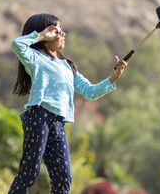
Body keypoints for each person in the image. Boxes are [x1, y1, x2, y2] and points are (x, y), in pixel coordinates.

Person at [8, 13, 130, 194]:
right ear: (45, 34)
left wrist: (115, 76)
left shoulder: (68, 66)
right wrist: (42, 35)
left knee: (63, 178)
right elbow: (17, 44)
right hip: (38, 117)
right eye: (58, 30)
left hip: (58, 123)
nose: (63, 34)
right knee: (29, 172)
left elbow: (91, 92)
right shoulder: (35, 58)